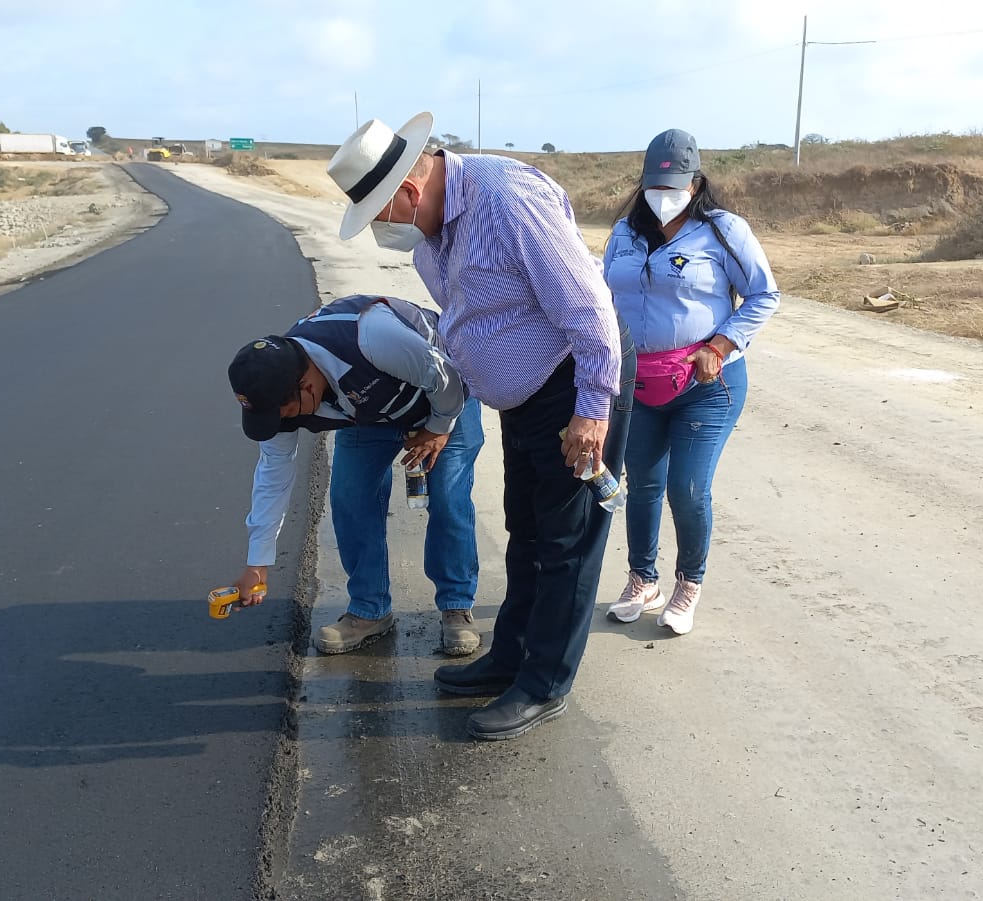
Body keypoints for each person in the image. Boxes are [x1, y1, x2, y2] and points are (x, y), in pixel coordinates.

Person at [327, 112, 635, 741]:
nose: (383, 231)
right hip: (525, 399)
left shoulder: (506, 200)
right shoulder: (435, 230)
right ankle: (510, 658)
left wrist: (591, 410)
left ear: (408, 191)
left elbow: (589, 309)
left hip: (573, 384)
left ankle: (544, 684)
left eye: (382, 216)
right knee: (526, 530)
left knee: (566, 542)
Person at [225, 293, 485, 657]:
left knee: (448, 499)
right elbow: (273, 474)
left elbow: (444, 377)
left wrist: (438, 428)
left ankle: (456, 607)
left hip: (444, 395)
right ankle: (369, 609)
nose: (280, 422)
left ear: (307, 387)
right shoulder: (276, 396)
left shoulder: (372, 338)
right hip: (367, 411)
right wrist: (258, 563)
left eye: (283, 413)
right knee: (350, 496)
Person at [601, 128, 780, 635]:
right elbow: (605, 295)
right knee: (642, 485)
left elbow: (764, 296)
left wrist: (719, 346)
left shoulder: (723, 231)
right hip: (639, 382)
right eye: (654, 186)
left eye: (674, 186)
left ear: (695, 184)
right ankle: (643, 579)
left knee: (687, 487)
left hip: (705, 385)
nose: (663, 196)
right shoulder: (624, 233)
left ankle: (688, 583)